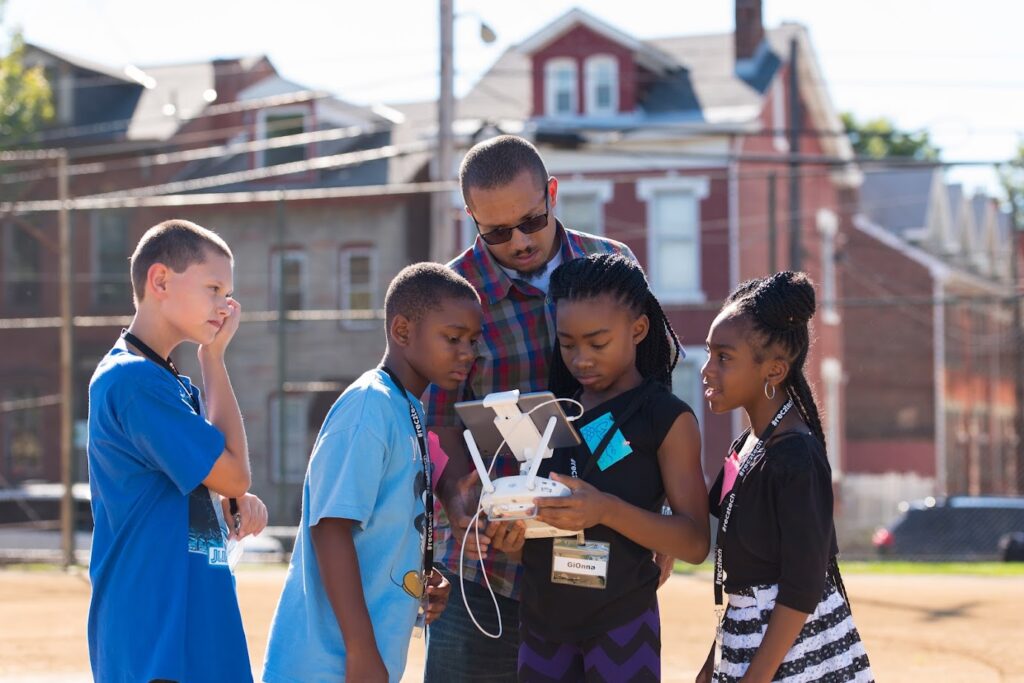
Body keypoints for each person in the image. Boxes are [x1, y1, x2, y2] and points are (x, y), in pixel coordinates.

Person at [423, 135, 650, 682]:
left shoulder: (613, 265)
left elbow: (648, 406)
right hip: (488, 577)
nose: (520, 242)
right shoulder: (452, 296)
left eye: (532, 220)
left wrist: (651, 519)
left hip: (599, 561)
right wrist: (466, 506)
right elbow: (435, 427)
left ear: (552, 193)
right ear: (470, 217)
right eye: (497, 231)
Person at [262, 263, 482, 683]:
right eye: (452, 338)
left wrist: (417, 576)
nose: (467, 352)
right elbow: (330, 529)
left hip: (363, 661)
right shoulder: (369, 407)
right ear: (402, 332)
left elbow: (382, 529)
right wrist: (361, 652)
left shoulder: (408, 410)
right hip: (327, 666)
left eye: (472, 340)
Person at [86, 219, 268, 683]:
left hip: (192, 618)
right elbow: (235, 472)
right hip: (153, 629)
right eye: (213, 287)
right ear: (161, 280)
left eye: (228, 292)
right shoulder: (133, 381)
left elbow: (218, 481)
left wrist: (224, 499)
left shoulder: (167, 383)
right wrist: (213, 357)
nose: (226, 304)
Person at [514, 253, 710, 681]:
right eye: (567, 344)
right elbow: (529, 526)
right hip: (541, 627)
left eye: (597, 343)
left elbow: (695, 542)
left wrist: (605, 511)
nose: (581, 358)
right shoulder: (549, 415)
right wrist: (506, 526)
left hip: (621, 624)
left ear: (638, 329)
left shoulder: (666, 418)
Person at [697, 272, 874, 683]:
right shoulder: (746, 447)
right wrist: (713, 663)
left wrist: (755, 677)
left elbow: (803, 586)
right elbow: (741, 575)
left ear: (774, 371)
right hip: (743, 645)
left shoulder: (795, 456)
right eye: (709, 354)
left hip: (798, 657)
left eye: (724, 358)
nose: (707, 370)